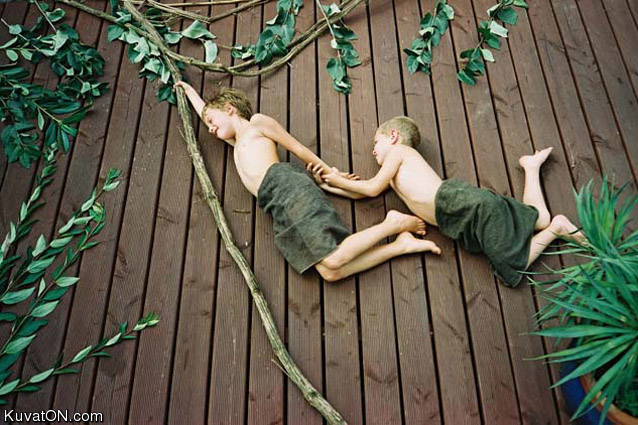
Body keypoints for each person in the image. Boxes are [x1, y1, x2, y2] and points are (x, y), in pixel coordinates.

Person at [174, 83, 441, 282]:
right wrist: (189, 92)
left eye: (212, 121)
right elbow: (206, 111)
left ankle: (393, 224)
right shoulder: (237, 142)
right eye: (207, 125)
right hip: (274, 205)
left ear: (230, 109)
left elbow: (299, 149)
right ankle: (399, 246)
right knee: (330, 272)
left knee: (333, 258)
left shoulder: (256, 124)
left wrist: (333, 174)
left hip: (287, 188)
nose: (210, 128)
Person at [310, 116, 587, 287]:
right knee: (538, 218)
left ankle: (558, 228)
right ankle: (531, 168)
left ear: (393, 137)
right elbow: (362, 192)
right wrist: (327, 184)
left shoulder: (400, 152)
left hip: (461, 204)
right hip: (460, 215)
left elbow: (370, 188)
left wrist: (336, 179)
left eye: (376, 142)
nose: (373, 150)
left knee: (512, 266)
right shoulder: (393, 175)